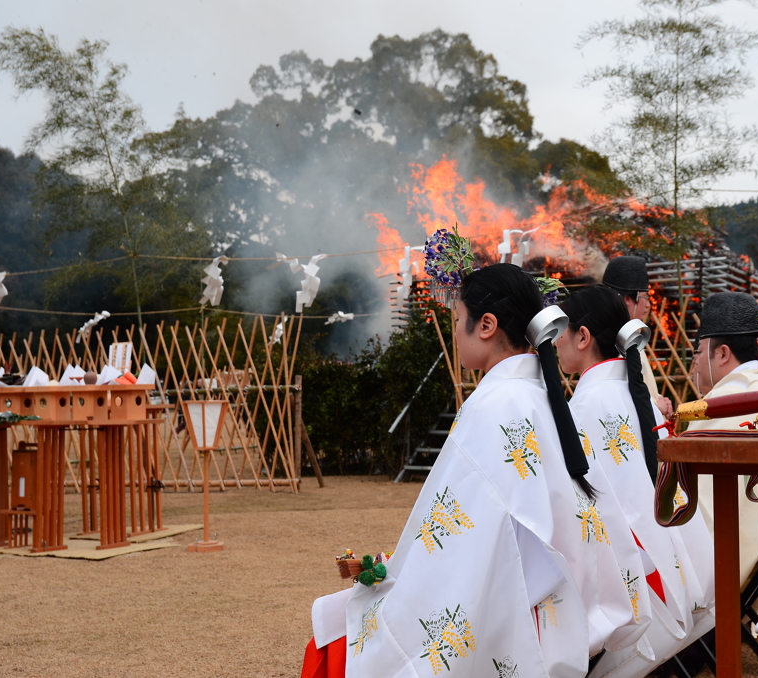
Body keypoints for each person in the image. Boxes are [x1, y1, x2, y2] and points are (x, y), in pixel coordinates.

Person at [303, 264, 649, 678]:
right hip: (556, 608)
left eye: (456, 321)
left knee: (336, 641)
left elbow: (462, 550)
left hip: (514, 613)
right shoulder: (537, 396)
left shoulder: (495, 405)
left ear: (485, 325)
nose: (453, 333)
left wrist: (398, 573)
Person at [554, 286, 715, 678]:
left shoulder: (586, 406)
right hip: (672, 559)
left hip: (634, 574)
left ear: (583, 336)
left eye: (562, 330)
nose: (555, 342)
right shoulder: (634, 393)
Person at [687, 291, 758, 604]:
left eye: (699, 351)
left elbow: (690, 502)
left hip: (721, 557)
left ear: (721, 354)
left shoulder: (718, 408)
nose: (695, 362)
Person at [601, 256, 672, 419]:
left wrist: (659, 399)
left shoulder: (631, 337)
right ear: (627, 299)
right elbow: (619, 399)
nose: (648, 304)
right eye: (645, 297)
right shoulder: (612, 342)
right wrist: (655, 406)